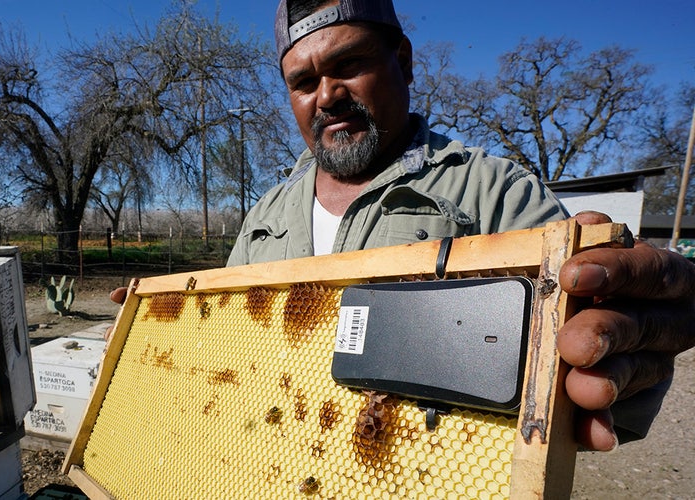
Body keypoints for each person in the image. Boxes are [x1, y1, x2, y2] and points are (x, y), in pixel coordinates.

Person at [113, 0, 695, 452]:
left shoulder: (494, 191)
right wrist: (159, 344)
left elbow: (591, 366)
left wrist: (629, 348)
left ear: (404, 60)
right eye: (303, 81)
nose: (327, 96)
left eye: (349, 64)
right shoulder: (264, 216)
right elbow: (226, 363)